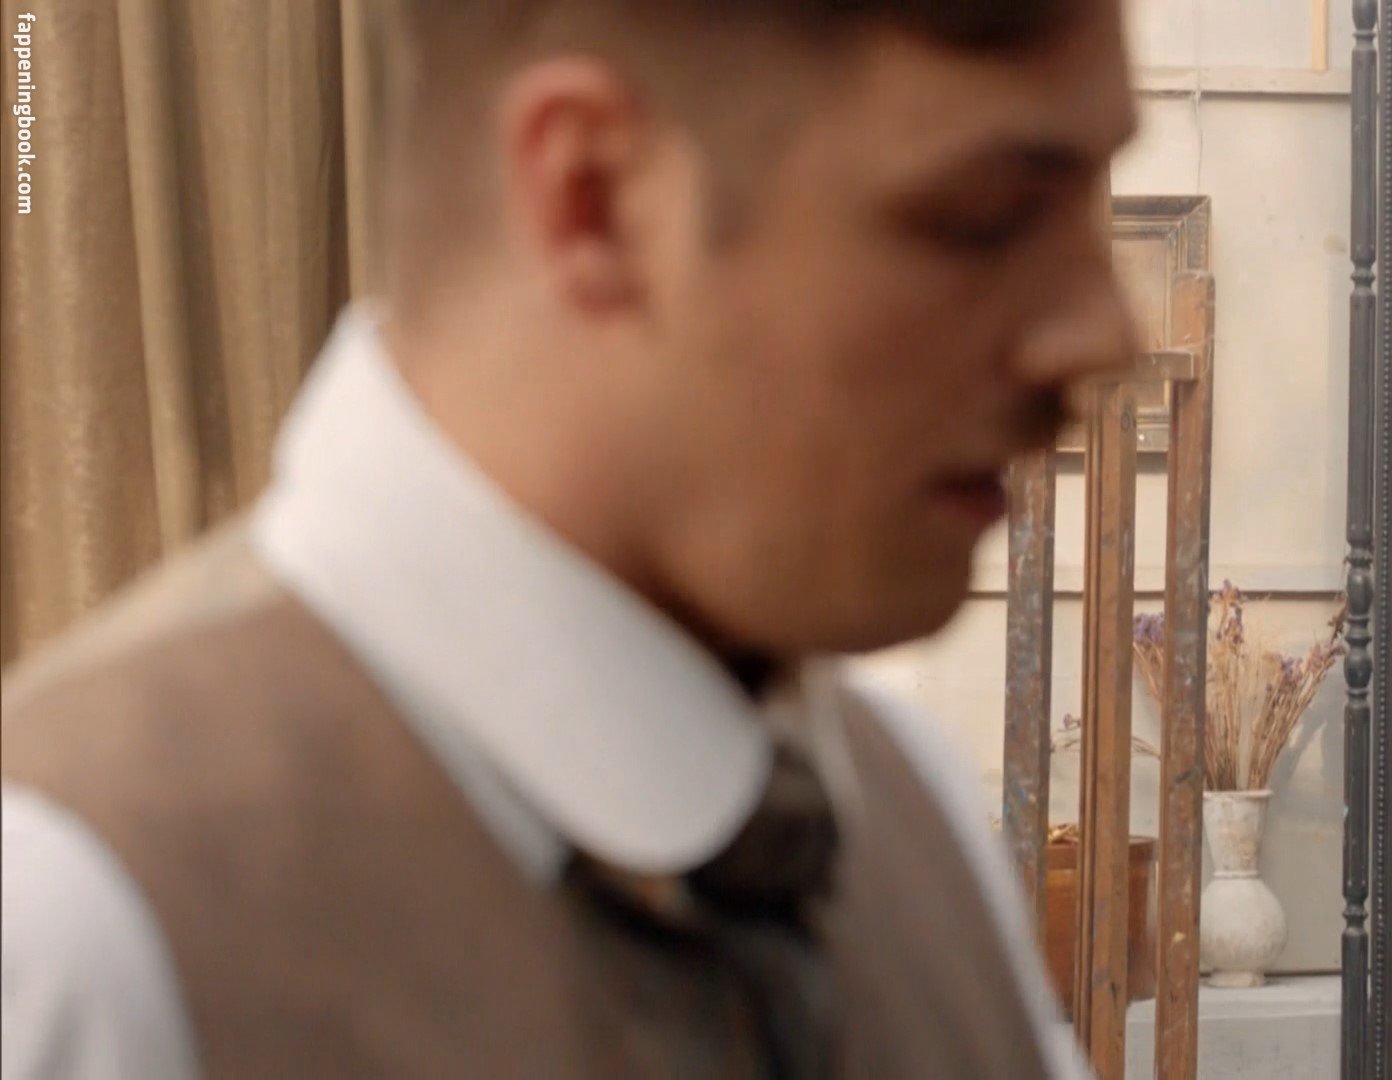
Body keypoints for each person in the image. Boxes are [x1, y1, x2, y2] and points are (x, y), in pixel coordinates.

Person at [0, 2, 1139, 1077]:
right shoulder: (74, 923)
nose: (1104, 335)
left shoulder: (917, 826)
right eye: (986, 217)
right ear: (596, 196)